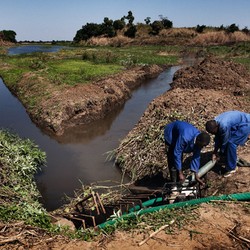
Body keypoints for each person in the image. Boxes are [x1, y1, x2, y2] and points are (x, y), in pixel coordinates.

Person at [164, 120, 210, 185]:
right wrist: (180, 173)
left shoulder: (199, 141)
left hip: (181, 135)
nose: (203, 147)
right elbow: (177, 153)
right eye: (203, 145)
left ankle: (179, 179)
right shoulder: (185, 137)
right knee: (173, 160)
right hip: (171, 135)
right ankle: (174, 184)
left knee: (179, 160)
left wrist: (196, 174)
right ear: (198, 140)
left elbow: (196, 157)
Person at [205, 110, 250, 177]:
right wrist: (214, 152)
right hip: (238, 123)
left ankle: (232, 168)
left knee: (231, 143)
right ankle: (231, 158)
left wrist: (220, 154)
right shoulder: (215, 122)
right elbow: (218, 137)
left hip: (245, 124)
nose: (212, 134)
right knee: (227, 143)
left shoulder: (224, 125)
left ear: (216, 127)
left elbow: (224, 142)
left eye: (213, 132)